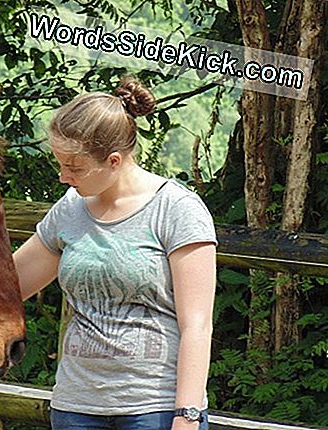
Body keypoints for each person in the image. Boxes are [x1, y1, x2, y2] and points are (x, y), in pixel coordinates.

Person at [13, 77, 217, 430]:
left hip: (154, 409)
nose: (62, 177)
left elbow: (196, 325)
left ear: (113, 160)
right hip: (76, 407)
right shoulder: (70, 209)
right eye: (59, 164)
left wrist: (187, 415)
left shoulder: (178, 210)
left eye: (73, 168)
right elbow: (9, 285)